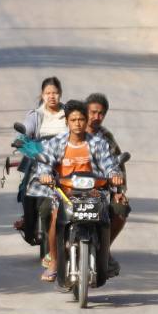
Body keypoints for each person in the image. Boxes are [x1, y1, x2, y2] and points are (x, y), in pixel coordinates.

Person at [35, 101, 123, 283]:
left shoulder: (98, 143)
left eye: (81, 119)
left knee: (118, 210)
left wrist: (114, 175)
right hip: (64, 194)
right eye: (73, 120)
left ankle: (105, 253)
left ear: (86, 120)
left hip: (94, 194)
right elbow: (44, 164)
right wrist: (45, 175)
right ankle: (54, 261)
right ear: (67, 121)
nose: (77, 123)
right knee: (54, 217)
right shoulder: (56, 143)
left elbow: (110, 165)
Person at [17, 78, 66, 261]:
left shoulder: (69, 113)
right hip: (40, 161)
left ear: (60, 94)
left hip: (65, 162)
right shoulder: (35, 116)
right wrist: (22, 139)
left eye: (55, 93)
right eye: (48, 93)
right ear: (42, 95)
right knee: (28, 191)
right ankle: (29, 226)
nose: (51, 96)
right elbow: (26, 131)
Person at [85, 92, 130, 279]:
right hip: (71, 189)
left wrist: (118, 190)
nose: (97, 117)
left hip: (100, 189)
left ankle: (104, 249)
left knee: (120, 209)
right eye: (93, 112)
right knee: (51, 209)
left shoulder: (105, 137)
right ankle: (54, 257)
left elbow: (117, 166)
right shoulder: (70, 134)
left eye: (101, 113)